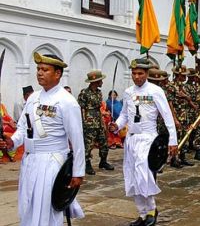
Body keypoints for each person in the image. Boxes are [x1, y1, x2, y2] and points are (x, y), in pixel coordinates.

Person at [0, 52, 85, 225]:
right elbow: (23, 127)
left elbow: (77, 140)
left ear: (57, 73)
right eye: (38, 69)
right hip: (30, 161)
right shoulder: (33, 98)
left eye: (45, 69)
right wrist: (12, 142)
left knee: (47, 209)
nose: (39, 73)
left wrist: (78, 172)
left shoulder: (67, 101)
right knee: (28, 206)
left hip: (52, 162)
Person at [109, 58, 178, 226]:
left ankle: (152, 210)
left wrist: (173, 140)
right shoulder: (128, 92)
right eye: (134, 73)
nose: (136, 76)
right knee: (132, 178)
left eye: (140, 73)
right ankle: (141, 214)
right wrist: (116, 125)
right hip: (132, 139)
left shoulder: (155, 91)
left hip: (148, 139)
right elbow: (125, 114)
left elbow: (167, 117)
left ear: (147, 74)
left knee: (144, 176)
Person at [78, 70, 114, 175]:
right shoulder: (84, 93)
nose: (102, 82)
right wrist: (82, 121)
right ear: (96, 81)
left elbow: (99, 107)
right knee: (88, 144)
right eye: (100, 81)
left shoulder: (99, 92)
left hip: (99, 120)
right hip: (89, 121)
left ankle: (103, 161)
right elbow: (80, 107)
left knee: (104, 142)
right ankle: (87, 164)